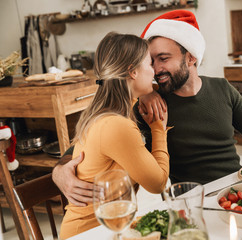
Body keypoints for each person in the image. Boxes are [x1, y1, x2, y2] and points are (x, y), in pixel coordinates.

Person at [52, 10, 242, 207]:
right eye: (151, 60)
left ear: (191, 58)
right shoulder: (148, 104)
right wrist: (60, 172)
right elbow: (88, 140)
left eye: (164, 58)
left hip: (240, 190)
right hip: (192, 203)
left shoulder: (221, 88)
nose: (155, 69)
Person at [59, 32, 170, 239]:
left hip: (107, 229)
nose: (154, 71)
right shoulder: (116, 125)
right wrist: (158, 127)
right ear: (132, 72)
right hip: (91, 234)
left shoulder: (102, 114)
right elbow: (158, 184)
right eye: (149, 64)